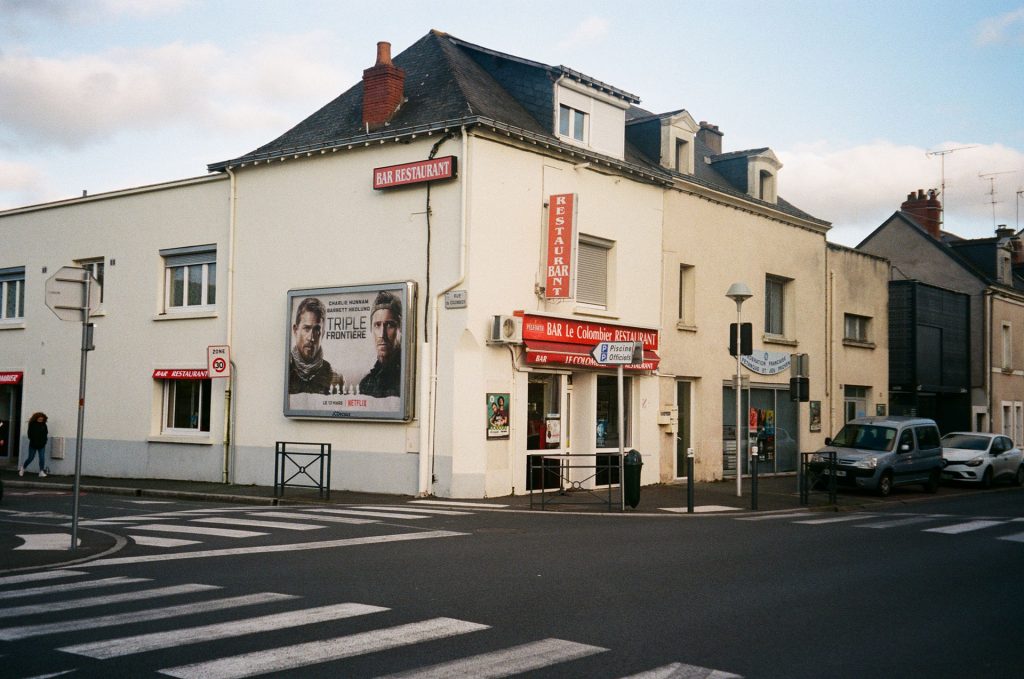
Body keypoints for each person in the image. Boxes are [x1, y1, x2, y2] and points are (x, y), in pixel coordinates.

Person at [288, 297, 338, 395]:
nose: (311, 338)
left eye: (316, 330)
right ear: (295, 330)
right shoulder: (284, 371)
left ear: (322, 334)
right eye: (306, 328)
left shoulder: (335, 379)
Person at [359, 290, 402, 398]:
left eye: (389, 325)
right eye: (377, 325)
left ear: (400, 329)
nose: (382, 334)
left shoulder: (405, 378)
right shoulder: (366, 383)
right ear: (371, 329)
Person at [20, 412, 48, 478]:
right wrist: (33, 440)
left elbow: (45, 434)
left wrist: (44, 441)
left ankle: (41, 471)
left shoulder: (44, 425)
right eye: (40, 418)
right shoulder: (32, 424)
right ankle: (23, 468)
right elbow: (29, 434)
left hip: (42, 445)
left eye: (42, 419)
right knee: (30, 458)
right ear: (37, 418)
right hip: (33, 444)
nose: (41, 420)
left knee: (42, 458)